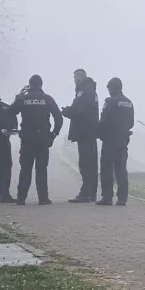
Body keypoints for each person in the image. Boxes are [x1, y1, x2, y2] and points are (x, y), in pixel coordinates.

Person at [10, 74, 63, 205]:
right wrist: (54, 134)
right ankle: (43, 198)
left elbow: (10, 112)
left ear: (29, 85)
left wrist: (19, 95)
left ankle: (21, 198)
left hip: (27, 139)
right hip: (43, 139)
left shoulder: (23, 99)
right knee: (41, 169)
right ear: (41, 85)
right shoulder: (47, 99)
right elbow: (59, 118)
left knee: (26, 168)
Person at [62, 68, 99, 203]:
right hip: (90, 132)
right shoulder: (92, 91)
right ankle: (91, 193)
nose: (74, 82)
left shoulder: (83, 91)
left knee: (86, 164)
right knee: (91, 164)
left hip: (84, 132)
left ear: (79, 78)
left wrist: (67, 112)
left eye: (75, 79)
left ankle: (86, 193)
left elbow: (79, 109)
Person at [96, 77, 134, 206]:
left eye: (108, 88)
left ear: (112, 88)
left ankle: (107, 197)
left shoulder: (110, 101)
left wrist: (99, 133)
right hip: (123, 140)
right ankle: (122, 198)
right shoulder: (129, 103)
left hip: (110, 139)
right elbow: (131, 123)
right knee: (121, 170)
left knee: (106, 169)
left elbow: (104, 120)